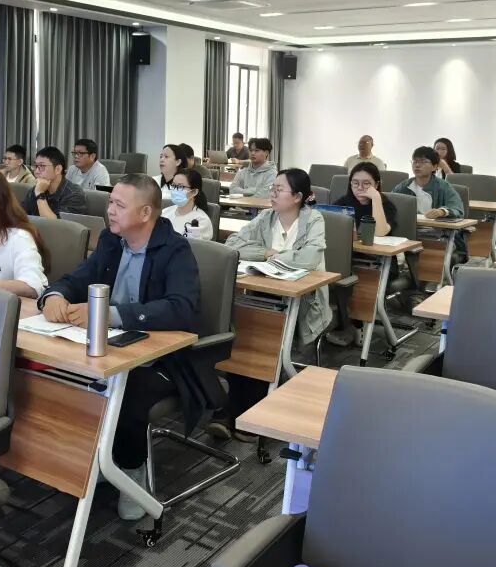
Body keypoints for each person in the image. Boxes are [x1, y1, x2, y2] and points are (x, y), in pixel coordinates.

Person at [38, 174, 199, 520]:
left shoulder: (175, 250)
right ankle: (88, 457)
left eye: (119, 205)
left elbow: (181, 308)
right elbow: (79, 277)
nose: (109, 210)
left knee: (124, 391)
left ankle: (131, 468)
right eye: (110, 202)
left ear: (145, 213)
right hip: (111, 346)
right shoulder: (112, 241)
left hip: (161, 358)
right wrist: (54, 295)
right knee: (58, 377)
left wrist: (108, 314)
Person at [211, 168, 329, 437]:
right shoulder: (267, 217)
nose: (272, 194)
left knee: (263, 341)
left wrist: (276, 258)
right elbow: (233, 243)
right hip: (262, 294)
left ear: (297, 197)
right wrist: (265, 252)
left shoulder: (313, 220)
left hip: (302, 300)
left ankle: (238, 414)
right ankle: (234, 412)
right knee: (246, 338)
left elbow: (310, 258)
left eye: (278, 189)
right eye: (271, 188)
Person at [321, 162, 399, 347]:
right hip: (347, 260)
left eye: (366, 183)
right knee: (333, 277)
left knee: (355, 281)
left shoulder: (386, 205)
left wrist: (376, 199)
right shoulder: (342, 204)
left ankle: (355, 325)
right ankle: (346, 324)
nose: (360, 188)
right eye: (355, 183)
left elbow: (380, 232)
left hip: (378, 264)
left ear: (377, 184)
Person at [22, 146, 87, 219]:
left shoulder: (74, 194)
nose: (36, 171)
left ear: (58, 169)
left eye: (42, 166)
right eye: (36, 166)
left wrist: (40, 194)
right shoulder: (35, 190)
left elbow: (56, 224)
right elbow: (20, 216)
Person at [161, 168, 214, 240]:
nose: (175, 190)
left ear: (194, 192)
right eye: (173, 185)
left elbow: (197, 246)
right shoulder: (165, 213)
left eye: (180, 187)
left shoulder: (201, 221)